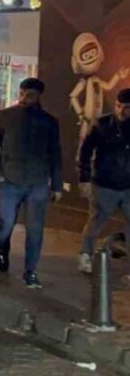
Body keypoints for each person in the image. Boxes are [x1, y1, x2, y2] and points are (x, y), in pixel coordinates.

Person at [0, 77, 63, 289]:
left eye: (30, 94)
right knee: (5, 224)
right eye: (22, 93)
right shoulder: (4, 116)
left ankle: (31, 271)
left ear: (39, 96)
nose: (25, 97)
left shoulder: (49, 122)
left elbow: (55, 153)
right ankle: (3, 248)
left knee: (35, 229)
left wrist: (57, 184)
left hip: (37, 182)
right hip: (9, 181)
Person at [77, 88, 130, 274]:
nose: (121, 111)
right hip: (104, 182)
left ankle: (88, 254)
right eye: (118, 106)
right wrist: (84, 177)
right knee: (96, 221)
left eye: (126, 108)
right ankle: (85, 254)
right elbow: (85, 152)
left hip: (124, 184)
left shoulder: (103, 124)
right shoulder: (102, 124)